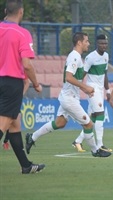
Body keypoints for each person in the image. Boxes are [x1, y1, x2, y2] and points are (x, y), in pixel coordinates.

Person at [25, 32, 111, 158]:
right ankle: (95, 150)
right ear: (79, 42)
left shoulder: (76, 57)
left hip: (68, 96)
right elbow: (69, 77)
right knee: (88, 124)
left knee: (60, 123)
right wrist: (85, 87)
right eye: (86, 41)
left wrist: (84, 89)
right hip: (69, 99)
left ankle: (32, 137)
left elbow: (72, 78)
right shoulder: (75, 57)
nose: (88, 44)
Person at [0, 0, 45, 174]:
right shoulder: (22, 33)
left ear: (5, 11)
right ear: (21, 12)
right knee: (4, 124)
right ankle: (26, 165)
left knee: (14, 125)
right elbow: (26, 65)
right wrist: (36, 83)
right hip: (11, 82)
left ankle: (26, 166)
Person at [72, 34, 112, 154]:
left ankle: (77, 141)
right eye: (101, 43)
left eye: (105, 43)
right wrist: (80, 87)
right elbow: (82, 74)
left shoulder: (106, 56)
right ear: (96, 44)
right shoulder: (90, 58)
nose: (103, 45)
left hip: (100, 90)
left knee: (92, 119)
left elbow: (105, 74)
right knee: (100, 114)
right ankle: (100, 145)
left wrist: (108, 90)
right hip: (92, 89)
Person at [2, 78, 30, 150]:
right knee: (6, 122)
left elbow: (27, 82)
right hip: (4, 98)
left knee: (15, 119)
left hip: (13, 100)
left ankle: (6, 141)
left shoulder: (20, 69)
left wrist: (20, 94)